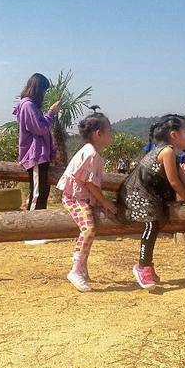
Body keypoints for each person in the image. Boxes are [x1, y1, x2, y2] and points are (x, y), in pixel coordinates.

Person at [117, 115, 185, 289]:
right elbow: (174, 182)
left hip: (149, 196)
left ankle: (148, 266)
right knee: (151, 224)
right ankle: (142, 266)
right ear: (174, 134)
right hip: (138, 195)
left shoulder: (171, 153)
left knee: (155, 223)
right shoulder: (167, 152)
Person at [57, 107, 116, 292]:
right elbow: (89, 183)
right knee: (88, 229)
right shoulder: (90, 153)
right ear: (98, 134)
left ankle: (81, 267)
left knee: (90, 228)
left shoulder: (92, 152)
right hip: (74, 198)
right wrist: (104, 201)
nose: (111, 134)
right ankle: (75, 270)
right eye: (109, 130)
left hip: (81, 197)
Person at [13, 73, 60, 210]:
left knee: (42, 193)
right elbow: (40, 128)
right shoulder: (28, 105)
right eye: (44, 90)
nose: (45, 94)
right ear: (39, 89)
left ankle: (39, 221)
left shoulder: (31, 105)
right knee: (38, 194)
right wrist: (51, 112)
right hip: (36, 156)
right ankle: (33, 222)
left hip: (40, 156)